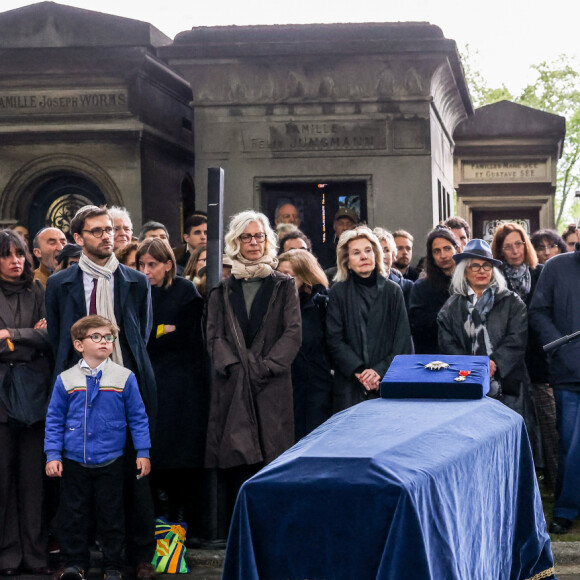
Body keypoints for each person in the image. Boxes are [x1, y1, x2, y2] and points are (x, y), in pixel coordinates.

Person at [45, 205, 157, 579]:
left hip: (125, 383)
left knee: (135, 476)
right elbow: (61, 337)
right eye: (96, 231)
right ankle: (77, 559)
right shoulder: (59, 284)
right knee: (78, 483)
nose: (106, 236)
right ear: (78, 238)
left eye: (109, 230)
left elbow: (141, 335)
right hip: (77, 387)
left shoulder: (135, 281)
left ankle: (139, 555)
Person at [205, 210, 301, 522]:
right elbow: (214, 335)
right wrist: (234, 368)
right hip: (232, 385)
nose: (253, 242)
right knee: (237, 460)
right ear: (235, 242)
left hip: (271, 385)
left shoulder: (284, 285)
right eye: (246, 237)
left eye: (259, 236)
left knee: (272, 459)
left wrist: (265, 368)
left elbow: (292, 333)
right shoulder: (221, 289)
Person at [45, 315, 151, 580]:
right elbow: (54, 419)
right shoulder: (66, 379)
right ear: (79, 345)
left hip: (111, 460)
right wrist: (52, 454)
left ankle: (113, 565)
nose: (104, 341)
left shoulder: (124, 377)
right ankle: (74, 563)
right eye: (96, 337)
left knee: (112, 515)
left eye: (109, 337)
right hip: (73, 461)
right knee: (73, 516)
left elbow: (138, 417)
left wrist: (143, 452)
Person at [136, 239, 208, 536]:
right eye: (141, 265)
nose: (145, 271)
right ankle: (159, 524)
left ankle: (182, 525)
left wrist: (160, 332)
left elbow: (188, 335)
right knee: (154, 452)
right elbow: (140, 335)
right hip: (149, 380)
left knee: (181, 454)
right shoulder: (138, 290)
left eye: (152, 264)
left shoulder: (184, 290)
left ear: (168, 264)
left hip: (183, 384)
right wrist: (162, 330)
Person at [437, 239, 535, 428]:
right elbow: (447, 345)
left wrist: (493, 363)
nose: (481, 271)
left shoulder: (512, 302)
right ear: (464, 271)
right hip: (467, 384)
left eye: (486, 266)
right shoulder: (450, 308)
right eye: (475, 266)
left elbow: (516, 340)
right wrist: (476, 366)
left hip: (508, 387)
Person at [0, 230, 52, 577]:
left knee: (34, 481)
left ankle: (35, 555)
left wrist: (11, 335)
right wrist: (30, 336)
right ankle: (6, 556)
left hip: (35, 394)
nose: (15, 261)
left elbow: (50, 336)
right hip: (1, 396)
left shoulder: (38, 290)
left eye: (19, 254)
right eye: (6, 255)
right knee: (2, 480)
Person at [491, 223, 552, 487]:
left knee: (549, 421)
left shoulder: (541, 274)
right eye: (508, 246)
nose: (515, 250)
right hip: (511, 361)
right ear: (500, 251)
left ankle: (552, 476)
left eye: (519, 244)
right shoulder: (494, 279)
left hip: (540, 359)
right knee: (519, 419)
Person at [326, 226, 413, 411]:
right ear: (347, 261)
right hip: (350, 385)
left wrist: (378, 371)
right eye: (356, 253)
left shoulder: (393, 291)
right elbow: (334, 340)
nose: (364, 256)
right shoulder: (338, 293)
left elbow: (403, 341)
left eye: (368, 251)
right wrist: (360, 372)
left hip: (388, 382)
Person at [529, 221, 580, 534]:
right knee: (571, 445)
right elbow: (538, 312)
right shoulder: (557, 267)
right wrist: (564, 349)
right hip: (569, 374)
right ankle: (565, 507)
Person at [278, 249, 333, 440]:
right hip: (285, 387)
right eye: (280, 274)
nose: (284, 280)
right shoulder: (274, 306)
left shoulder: (321, 304)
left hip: (316, 386)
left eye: (290, 275)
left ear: (305, 276)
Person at [408, 227, 459, 354]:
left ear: (456, 249)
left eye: (447, 248)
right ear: (431, 256)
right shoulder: (421, 288)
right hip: (433, 356)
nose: (443, 255)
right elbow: (418, 328)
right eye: (437, 251)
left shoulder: (469, 282)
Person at [373, 227, 413, 309]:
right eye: (379, 251)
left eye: (387, 250)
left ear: (393, 255)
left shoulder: (407, 287)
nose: (383, 255)